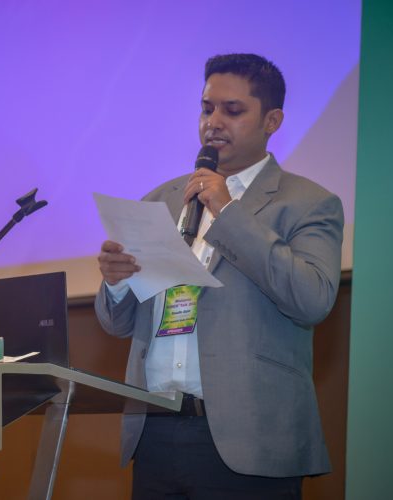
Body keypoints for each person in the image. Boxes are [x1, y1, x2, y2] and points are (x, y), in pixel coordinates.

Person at [95, 53, 343, 499]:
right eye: (207, 108)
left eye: (232, 110)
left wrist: (227, 212)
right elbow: (119, 324)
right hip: (154, 431)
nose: (213, 122)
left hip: (251, 439)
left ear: (272, 120)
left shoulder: (308, 203)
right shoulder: (161, 199)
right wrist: (116, 283)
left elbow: (312, 300)